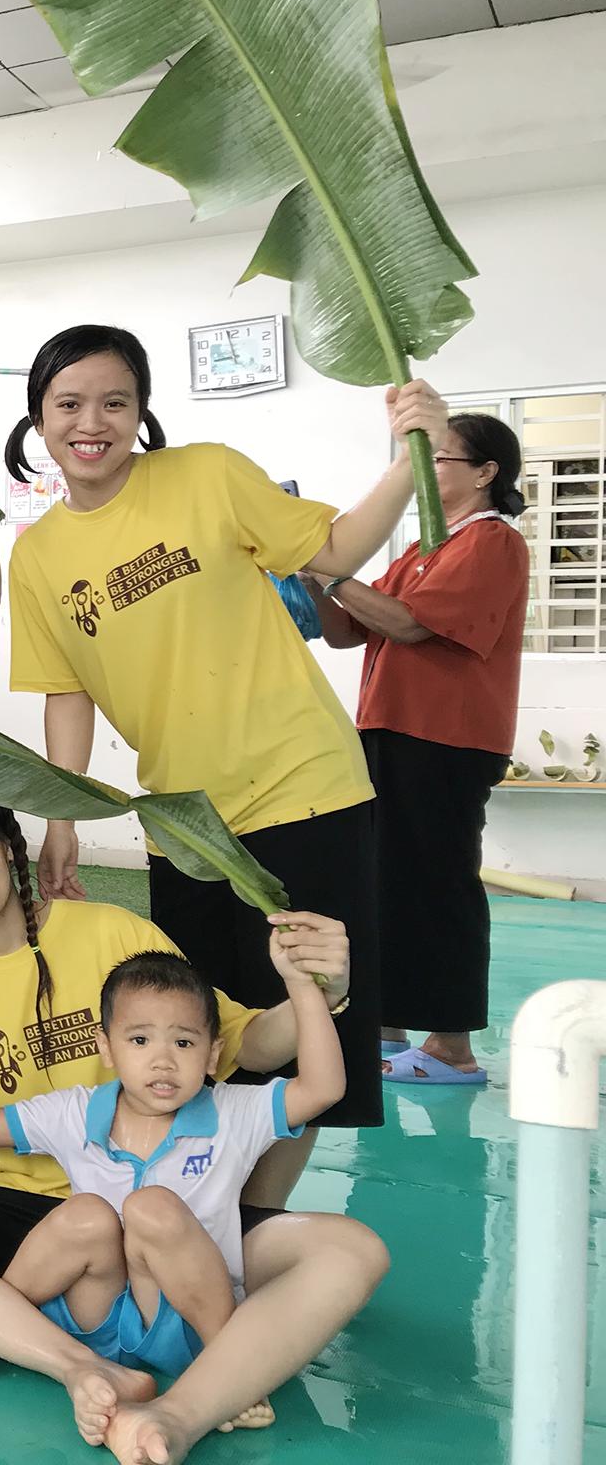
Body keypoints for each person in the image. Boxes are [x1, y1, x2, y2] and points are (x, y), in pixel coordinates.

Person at [0, 781, 387, 1462]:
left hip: (181, 1215)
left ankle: (185, 1409)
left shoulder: (113, 932)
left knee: (352, 1251)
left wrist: (320, 989)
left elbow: (245, 1045)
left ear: (9, 844)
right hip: (41, 1228)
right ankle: (75, 1365)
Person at [4, 323, 448, 1201]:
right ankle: (215, 1213)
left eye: (115, 403)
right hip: (185, 824)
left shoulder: (207, 474)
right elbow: (68, 693)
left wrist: (407, 459)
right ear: (39, 418)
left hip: (303, 788)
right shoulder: (39, 554)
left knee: (310, 1016)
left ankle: (254, 1219)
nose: (91, 423)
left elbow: (332, 551)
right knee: (204, 1031)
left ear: (141, 412)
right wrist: (60, 820)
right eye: (69, 404)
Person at [0, 947, 346, 1436]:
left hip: (189, 1323)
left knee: (152, 1208)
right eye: (140, 1041)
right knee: (87, 1215)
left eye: (183, 1043)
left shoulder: (235, 1112)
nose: (162, 1061)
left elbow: (323, 1090)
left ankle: (227, 1368)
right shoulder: (76, 1111)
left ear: (213, 1054)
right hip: (95, 1316)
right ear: (106, 1047)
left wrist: (304, 988)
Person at [309, 411, 530, 1085]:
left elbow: (406, 625)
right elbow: (348, 631)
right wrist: (313, 572)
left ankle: (452, 1048)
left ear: (486, 472)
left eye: (438, 459)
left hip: (445, 738)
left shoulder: (490, 542)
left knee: (437, 885)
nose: (424, 472)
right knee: (388, 884)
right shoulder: (423, 549)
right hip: (393, 729)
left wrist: (330, 572)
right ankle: (389, 1029)